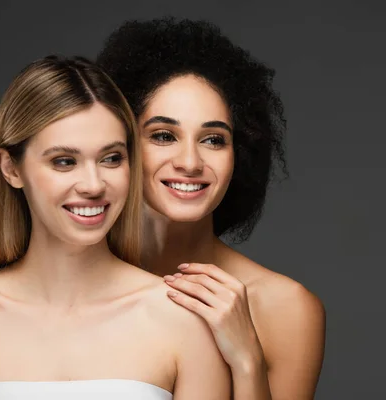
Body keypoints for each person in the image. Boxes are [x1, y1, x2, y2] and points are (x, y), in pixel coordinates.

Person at [0, 55, 230, 400]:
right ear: (11, 168)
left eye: (111, 159)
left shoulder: (185, 319)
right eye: (64, 161)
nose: (93, 185)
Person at [97, 17, 326, 400]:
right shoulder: (74, 284)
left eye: (214, 140)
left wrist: (247, 359)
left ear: (240, 154)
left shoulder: (286, 308)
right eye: (164, 136)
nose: (190, 161)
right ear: (121, 145)